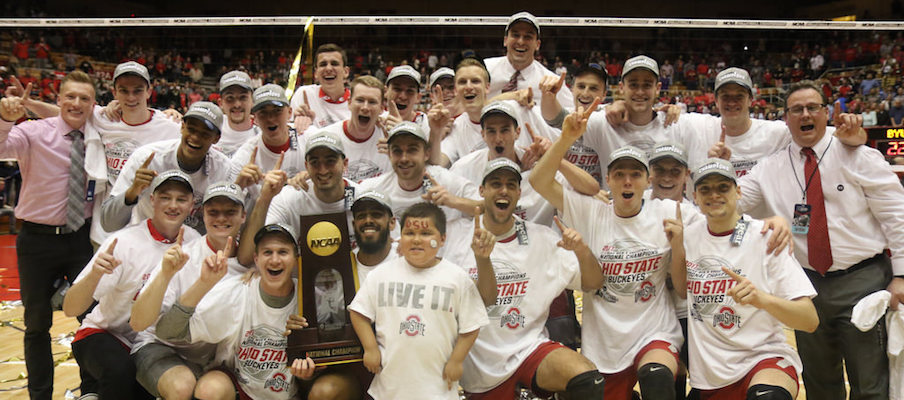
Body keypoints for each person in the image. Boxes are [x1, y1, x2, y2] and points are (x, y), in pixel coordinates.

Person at [734, 80, 904, 399]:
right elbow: (731, 204)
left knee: (869, 384)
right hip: (806, 287)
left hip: (863, 281)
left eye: (813, 107)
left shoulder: (859, 155)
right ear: (786, 118)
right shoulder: (770, 168)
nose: (805, 114)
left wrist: (902, 274)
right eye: (796, 109)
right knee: (819, 383)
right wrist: (714, 168)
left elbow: (897, 215)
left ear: (826, 113)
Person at [444, 158, 606, 399]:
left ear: (519, 193)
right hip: (478, 368)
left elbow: (593, 283)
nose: (503, 190)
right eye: (496, 184)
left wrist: (582, 250)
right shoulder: (454, 237)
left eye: (511, 185)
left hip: (529, 350)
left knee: (586, 379)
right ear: (482, 191)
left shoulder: (542, 238)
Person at [668, 158, 819, 399]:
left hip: (762, 361)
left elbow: (809, 320)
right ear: (695, 196)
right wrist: (677, 249)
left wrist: (762, 300)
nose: (714, 195)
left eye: (723, 187)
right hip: (710, 376)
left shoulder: (766, 238)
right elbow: (682, 290)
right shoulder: (689, 234)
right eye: (705, 189)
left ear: (738, 191)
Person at [0, 70, 102, 400]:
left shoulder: (100, 134)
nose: (76, 103)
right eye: (69, 96)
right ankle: (40, 395)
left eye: (84, 98)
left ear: (93, 105)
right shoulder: (32, 131)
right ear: (58, 100)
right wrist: (5, 116)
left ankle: (91, 390)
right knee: (36, 324)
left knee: (91, 317)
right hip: (37, 241)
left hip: (80, 238)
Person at [63, 170, 201, 399]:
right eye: (165, 197)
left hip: (152, 344)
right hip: (104, 334)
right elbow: (70, 309)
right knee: (120, 371)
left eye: (181, 199)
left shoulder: (194, 242)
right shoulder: (124, 242)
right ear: (152, 200)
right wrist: (94, 275)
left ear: (191, 205)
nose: (173, 205)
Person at [155, 224, 314, 399]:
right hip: (239, 388)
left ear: (295, 258)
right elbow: (167, 332)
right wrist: (203, 283)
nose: (275, 260)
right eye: (267, 252)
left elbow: (321, 367)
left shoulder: (309, 299)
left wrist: (308, 372)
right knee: (210, 389)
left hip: (289, 393)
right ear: (256, 259)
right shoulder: (237, 291)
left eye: (283, 252)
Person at [349, 202, 489, 400]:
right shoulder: (381, 275)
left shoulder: (457, 278)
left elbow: (472, 324)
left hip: (437, 390)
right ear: (399, 237)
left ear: (442, 239)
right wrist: (370, 347)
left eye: (425, 234)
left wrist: (457, 360)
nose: (416, 240)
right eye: (409, 233)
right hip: (387, 390)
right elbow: (358, 312)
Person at [128, 182, 247, 400]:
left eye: (230, 212)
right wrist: (165, 274)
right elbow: (138, 323)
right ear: (202, 214)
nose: (221, 218)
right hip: (162, 347)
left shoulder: (251, 263)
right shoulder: (183, 256)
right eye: (214, 212)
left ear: (243, 216)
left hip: (214, 357)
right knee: (182, 387)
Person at [101, 101, 233, 234]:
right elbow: (108, 223)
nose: (195, 137)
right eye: (191, 129)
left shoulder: (222, 168)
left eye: (204, 134)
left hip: (192, 245)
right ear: (182, 127)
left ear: (216, 138)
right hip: (147, 242)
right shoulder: (146, 158)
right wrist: (133, 191)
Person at [236, 130, 358, 267]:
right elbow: (246, 258)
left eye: (330, 161)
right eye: (315, 162)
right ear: (306, 166)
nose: (323, 170)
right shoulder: (288, 198)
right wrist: (264, 198)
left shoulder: (361, 197)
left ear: (345, 164)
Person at [357, 121, 481, 237]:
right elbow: (346, 199)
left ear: (426, 154)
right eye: (397, 151)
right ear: (389, 154)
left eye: (412, 150)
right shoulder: (375, 188)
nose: (404, 158)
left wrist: (453, 201)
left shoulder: (446, 181)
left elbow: (487, 208)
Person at [230, 84, 305, 204]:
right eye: (263, 113)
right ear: (254, 119)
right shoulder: (244, 156)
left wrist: (311, 174)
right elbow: (227, 205)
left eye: (277, 111)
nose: (270, 118)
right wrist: (239, 184)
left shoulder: (307, 138)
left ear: (290, 112)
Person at [484, 11, 573, 107]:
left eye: (528, 37)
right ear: (505, 40)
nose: (521, 42)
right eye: (515, 35)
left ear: (537, 44)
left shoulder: (551, 83)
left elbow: (570, 112)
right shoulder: (485, 70)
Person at [540, 63, 608, 185]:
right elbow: (552, 116)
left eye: (593, 88)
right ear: (572, 89)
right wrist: (548, 96)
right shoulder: (569, 116)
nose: (586, 93)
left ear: (604, 94)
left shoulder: (609, 117)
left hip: (601, 197)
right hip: (569, 196)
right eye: (581, 86)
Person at [317, 76, 392, 182]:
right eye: (360, 100)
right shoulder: (327, 137)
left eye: (372, 102)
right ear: (349, 103)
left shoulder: (389, 140)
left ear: (381, 109)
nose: (365, 107)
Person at [291, 43, 352, 132]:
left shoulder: (358, 102)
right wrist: (296, 124)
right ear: (316, 73)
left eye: (334, 63)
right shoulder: (304, 95)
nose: (328, 68)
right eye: (323, 64)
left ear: (346, 72)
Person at [215, 70, 259, 157]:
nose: (237, 105)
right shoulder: (211, 128)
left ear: (252, 101)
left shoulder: (263, 134)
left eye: (243, 97)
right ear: (220, 103)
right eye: (230, 98)